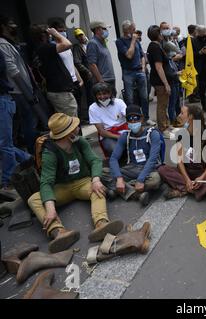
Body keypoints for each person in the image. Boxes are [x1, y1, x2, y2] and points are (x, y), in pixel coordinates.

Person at [27, 113, 124, 253]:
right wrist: (50, 208)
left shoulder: (79, 141)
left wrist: (95, 179)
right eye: (74, 126)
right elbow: (46, 182)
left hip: (83, 182)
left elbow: (95, 160)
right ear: (67, 133)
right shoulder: (50, 153)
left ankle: (101, 223)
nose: (77, 127)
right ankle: (58, 232)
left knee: (98, 189)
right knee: (34, 199)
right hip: (61, 188)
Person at [158, 104, 206, 200]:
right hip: (186, 171)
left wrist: (202, 177)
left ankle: (184, 189)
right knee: (163, 169)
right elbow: (180, 161)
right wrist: (187, 180)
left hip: (201, 172)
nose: (179, 116)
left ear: (190, 116)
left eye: (182, 113)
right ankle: (191, 188)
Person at [106, 104, 162, 205]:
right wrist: (119, 178)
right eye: (130, 119)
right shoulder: (125, 136)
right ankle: (136, 194)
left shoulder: (153, 134)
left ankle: (118, 189)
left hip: (149, 169)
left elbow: (152, 160)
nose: (133, 122)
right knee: (103, 172)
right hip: (131, 168)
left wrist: (140, 179)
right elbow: (113, 158)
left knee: (155, 180)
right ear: (126, 121)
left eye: (136, 118)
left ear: (142, 118)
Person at [0, 16, 39, 153]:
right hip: (17, 91)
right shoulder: (3, 44)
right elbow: (13, 70)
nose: (15, 26)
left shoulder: (9, 43)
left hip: (21, 90)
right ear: (3, 27)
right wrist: (27, 90)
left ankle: (25, 153)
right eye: (11, 24)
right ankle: (30, 153)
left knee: (23, 123)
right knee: (26, 122)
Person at [0, 50, 31, 189]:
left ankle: (9, 180)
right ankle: (26, 158)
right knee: (4, 143)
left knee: (4, 144)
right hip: (4, 100)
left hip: (2, 100)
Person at [116, 20, 148, 121]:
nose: (135, 31)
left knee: (144, 96)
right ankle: (132, 119)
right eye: (133, 29)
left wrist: (143, 68)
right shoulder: (120, 42)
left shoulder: (137, 41)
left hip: (139, 71)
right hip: (128, 72)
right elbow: (129, 55)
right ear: (127, 30)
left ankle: (146, 117)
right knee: (130, 98)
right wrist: (133, 41)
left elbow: (142, 56)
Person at [146, 25, 174, 136]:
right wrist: (166, 83)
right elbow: (158, 67)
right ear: (158, 35)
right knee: (162, 105)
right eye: (161, 33)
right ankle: (163, 128)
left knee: (164, 104)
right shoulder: (155, 47)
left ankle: (165, 124)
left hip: (159, 80)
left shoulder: (155, 46)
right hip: (160, 81)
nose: (163, 35)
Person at [89, 82, 128, 157]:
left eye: (104, 93)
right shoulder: (92, 108)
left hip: (125, 131)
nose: (102, 97)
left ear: (110, 93)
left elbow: (128, 116)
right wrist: (119, 137)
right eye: (99, 94)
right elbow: (102, 132)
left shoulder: (119, 102)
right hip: (109, 135)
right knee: (114, 148)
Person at [160, 22, 183, 127]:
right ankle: (174, 121)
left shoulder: (169, 40)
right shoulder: (164, 43)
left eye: (168, 28)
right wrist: (174, 57)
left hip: (174, 70)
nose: (167, 30)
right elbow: (178, 52)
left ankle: (179, 118)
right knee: (172, 101)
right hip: (170, 73)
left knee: (177, 98)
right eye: (164, 28)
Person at [87, 21, 116, 95]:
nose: (106, 31)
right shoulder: (92, 43)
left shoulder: (102, 42)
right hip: (103, 81)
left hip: (110, 79)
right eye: (104, 28)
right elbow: (92, 64)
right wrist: (101, 81)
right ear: (97, 30)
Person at [72, 27, 94, 122]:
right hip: (87, 75)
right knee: (90, 96)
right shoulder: (77, 47)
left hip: (94, 73)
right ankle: (91, 116)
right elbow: (77, 62)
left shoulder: (89, 44)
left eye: (82, 35)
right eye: (79, 36)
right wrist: (87, 71)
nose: (81, 37)